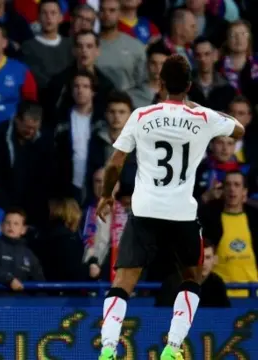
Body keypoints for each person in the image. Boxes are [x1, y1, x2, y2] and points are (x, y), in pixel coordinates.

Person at [95, 54, 245, 360]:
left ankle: (109, 348)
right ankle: (172, 348)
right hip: (181, 213)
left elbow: (116, 163)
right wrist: (202, 110)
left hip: (145, 210)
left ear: (161, 83)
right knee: (192, 278)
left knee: (123, 281)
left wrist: (106, 195)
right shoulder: (203, 118)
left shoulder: (141, 115)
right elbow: (239, 129)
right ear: (189, 85)